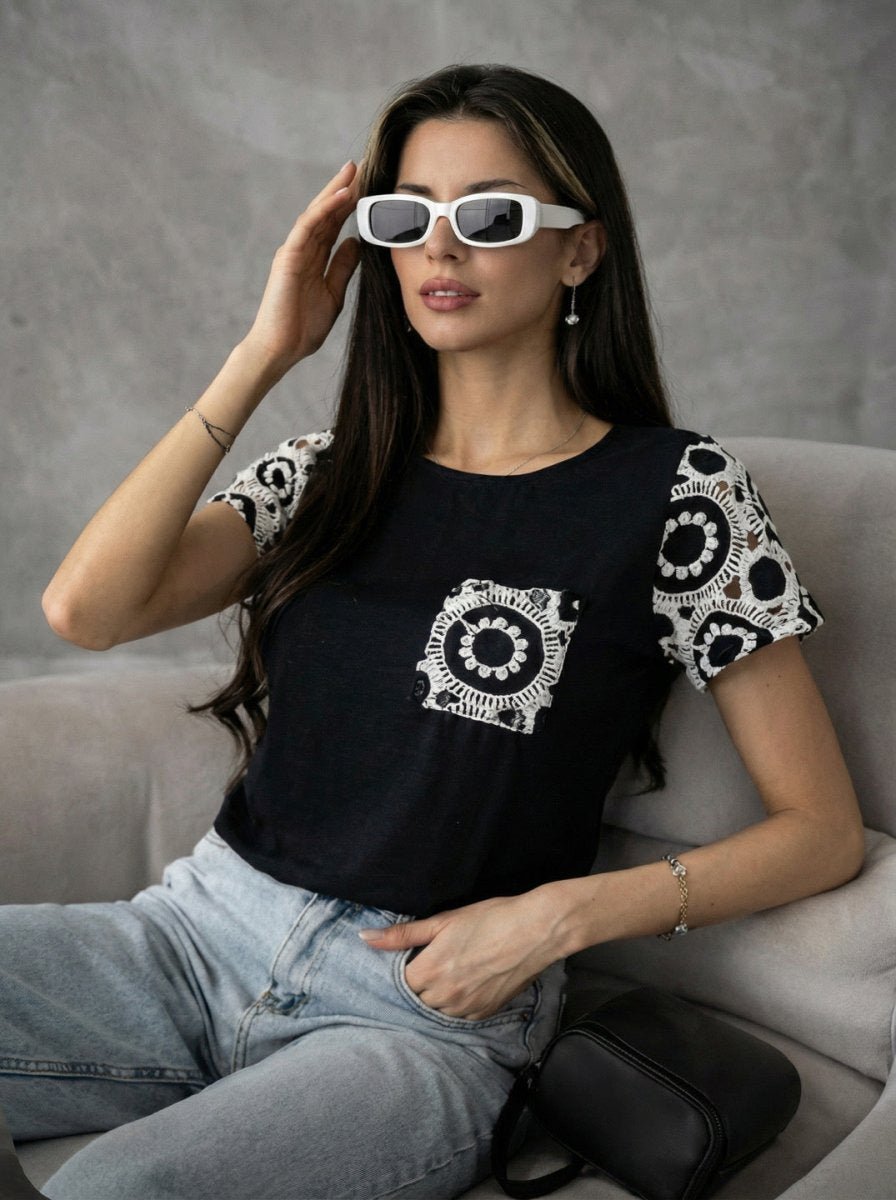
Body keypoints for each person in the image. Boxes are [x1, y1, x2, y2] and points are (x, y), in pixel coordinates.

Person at [3, 63, 863, 1200]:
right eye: (405, 218)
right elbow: (86, 611)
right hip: (193, 937)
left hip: (422, 1021)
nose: (438, 249)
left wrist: (554, 918)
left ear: (578, 249)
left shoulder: (678, 494)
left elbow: (820, 832)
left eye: (488, 215)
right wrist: (268, 349)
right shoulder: (327, 474)